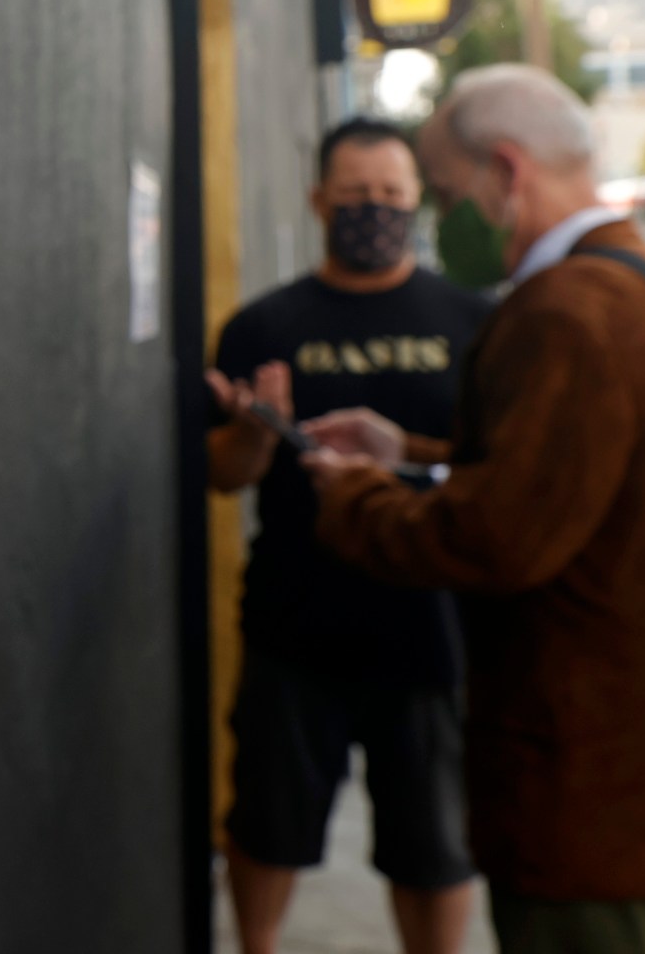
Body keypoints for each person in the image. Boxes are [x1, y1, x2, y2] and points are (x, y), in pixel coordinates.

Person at [302, 66, 645, 954]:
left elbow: (495, 541)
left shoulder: (567, 311)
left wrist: (355, 496)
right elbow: (603, 480)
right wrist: (410, 454)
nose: (440, 217)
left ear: (506, 171)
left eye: (444, 191)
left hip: (597, 795)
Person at [204, 117, 490, 954]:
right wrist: (259, 433)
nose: (374, 210)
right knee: (266, 826)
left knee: (435, 848)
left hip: (432, 631)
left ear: (417, 204)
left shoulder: (471, 324)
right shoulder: (264, 325)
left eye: (391, 195)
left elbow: (495, 465)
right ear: (318, 200)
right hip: (297, 628)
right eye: (356, 195)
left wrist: (409, 457)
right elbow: (222, 474)